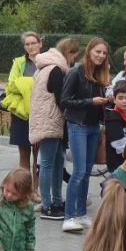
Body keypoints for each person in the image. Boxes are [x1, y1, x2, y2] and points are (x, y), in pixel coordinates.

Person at [60, 37, 111, 233]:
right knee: (79, 171)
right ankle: (69, 216)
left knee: (87, 170)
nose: (101, 55)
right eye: (97, 51)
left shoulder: (100, 74)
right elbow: (65, 101)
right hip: (77, 125)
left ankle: (81, 214)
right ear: (89, 51)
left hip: (94, 127)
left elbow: (101, 102)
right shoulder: (75, 72)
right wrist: (91, 101)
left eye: (104, 53)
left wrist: (107, 101)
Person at [31, 38, 81, 220]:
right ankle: (48, 204)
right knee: (49, 164)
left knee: (56, 162)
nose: (74, 60)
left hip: (47, 120)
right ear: (68, 53)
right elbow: (62, 99)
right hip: (51, 121)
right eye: (74, 56)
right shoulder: (56, 70)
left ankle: (56, 202)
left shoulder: (44, 67)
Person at [1, 32, 43, 190]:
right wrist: (33, 84)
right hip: (21, 114)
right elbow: (11, 85)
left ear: (40, 44)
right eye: (27, 44)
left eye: (33, 43)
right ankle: (25, 190)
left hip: (40, 114)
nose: (30, 47)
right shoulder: (19, 62)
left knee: (38, 156)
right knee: (24, 153)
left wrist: (23, 84)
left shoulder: (46, 61)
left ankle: (36, 190)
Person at [104, 80, 126, 174]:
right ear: (114, 99)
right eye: (120, 98)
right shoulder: (112, 117)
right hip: (117, 163)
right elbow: (117, 142)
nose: (124, 101)